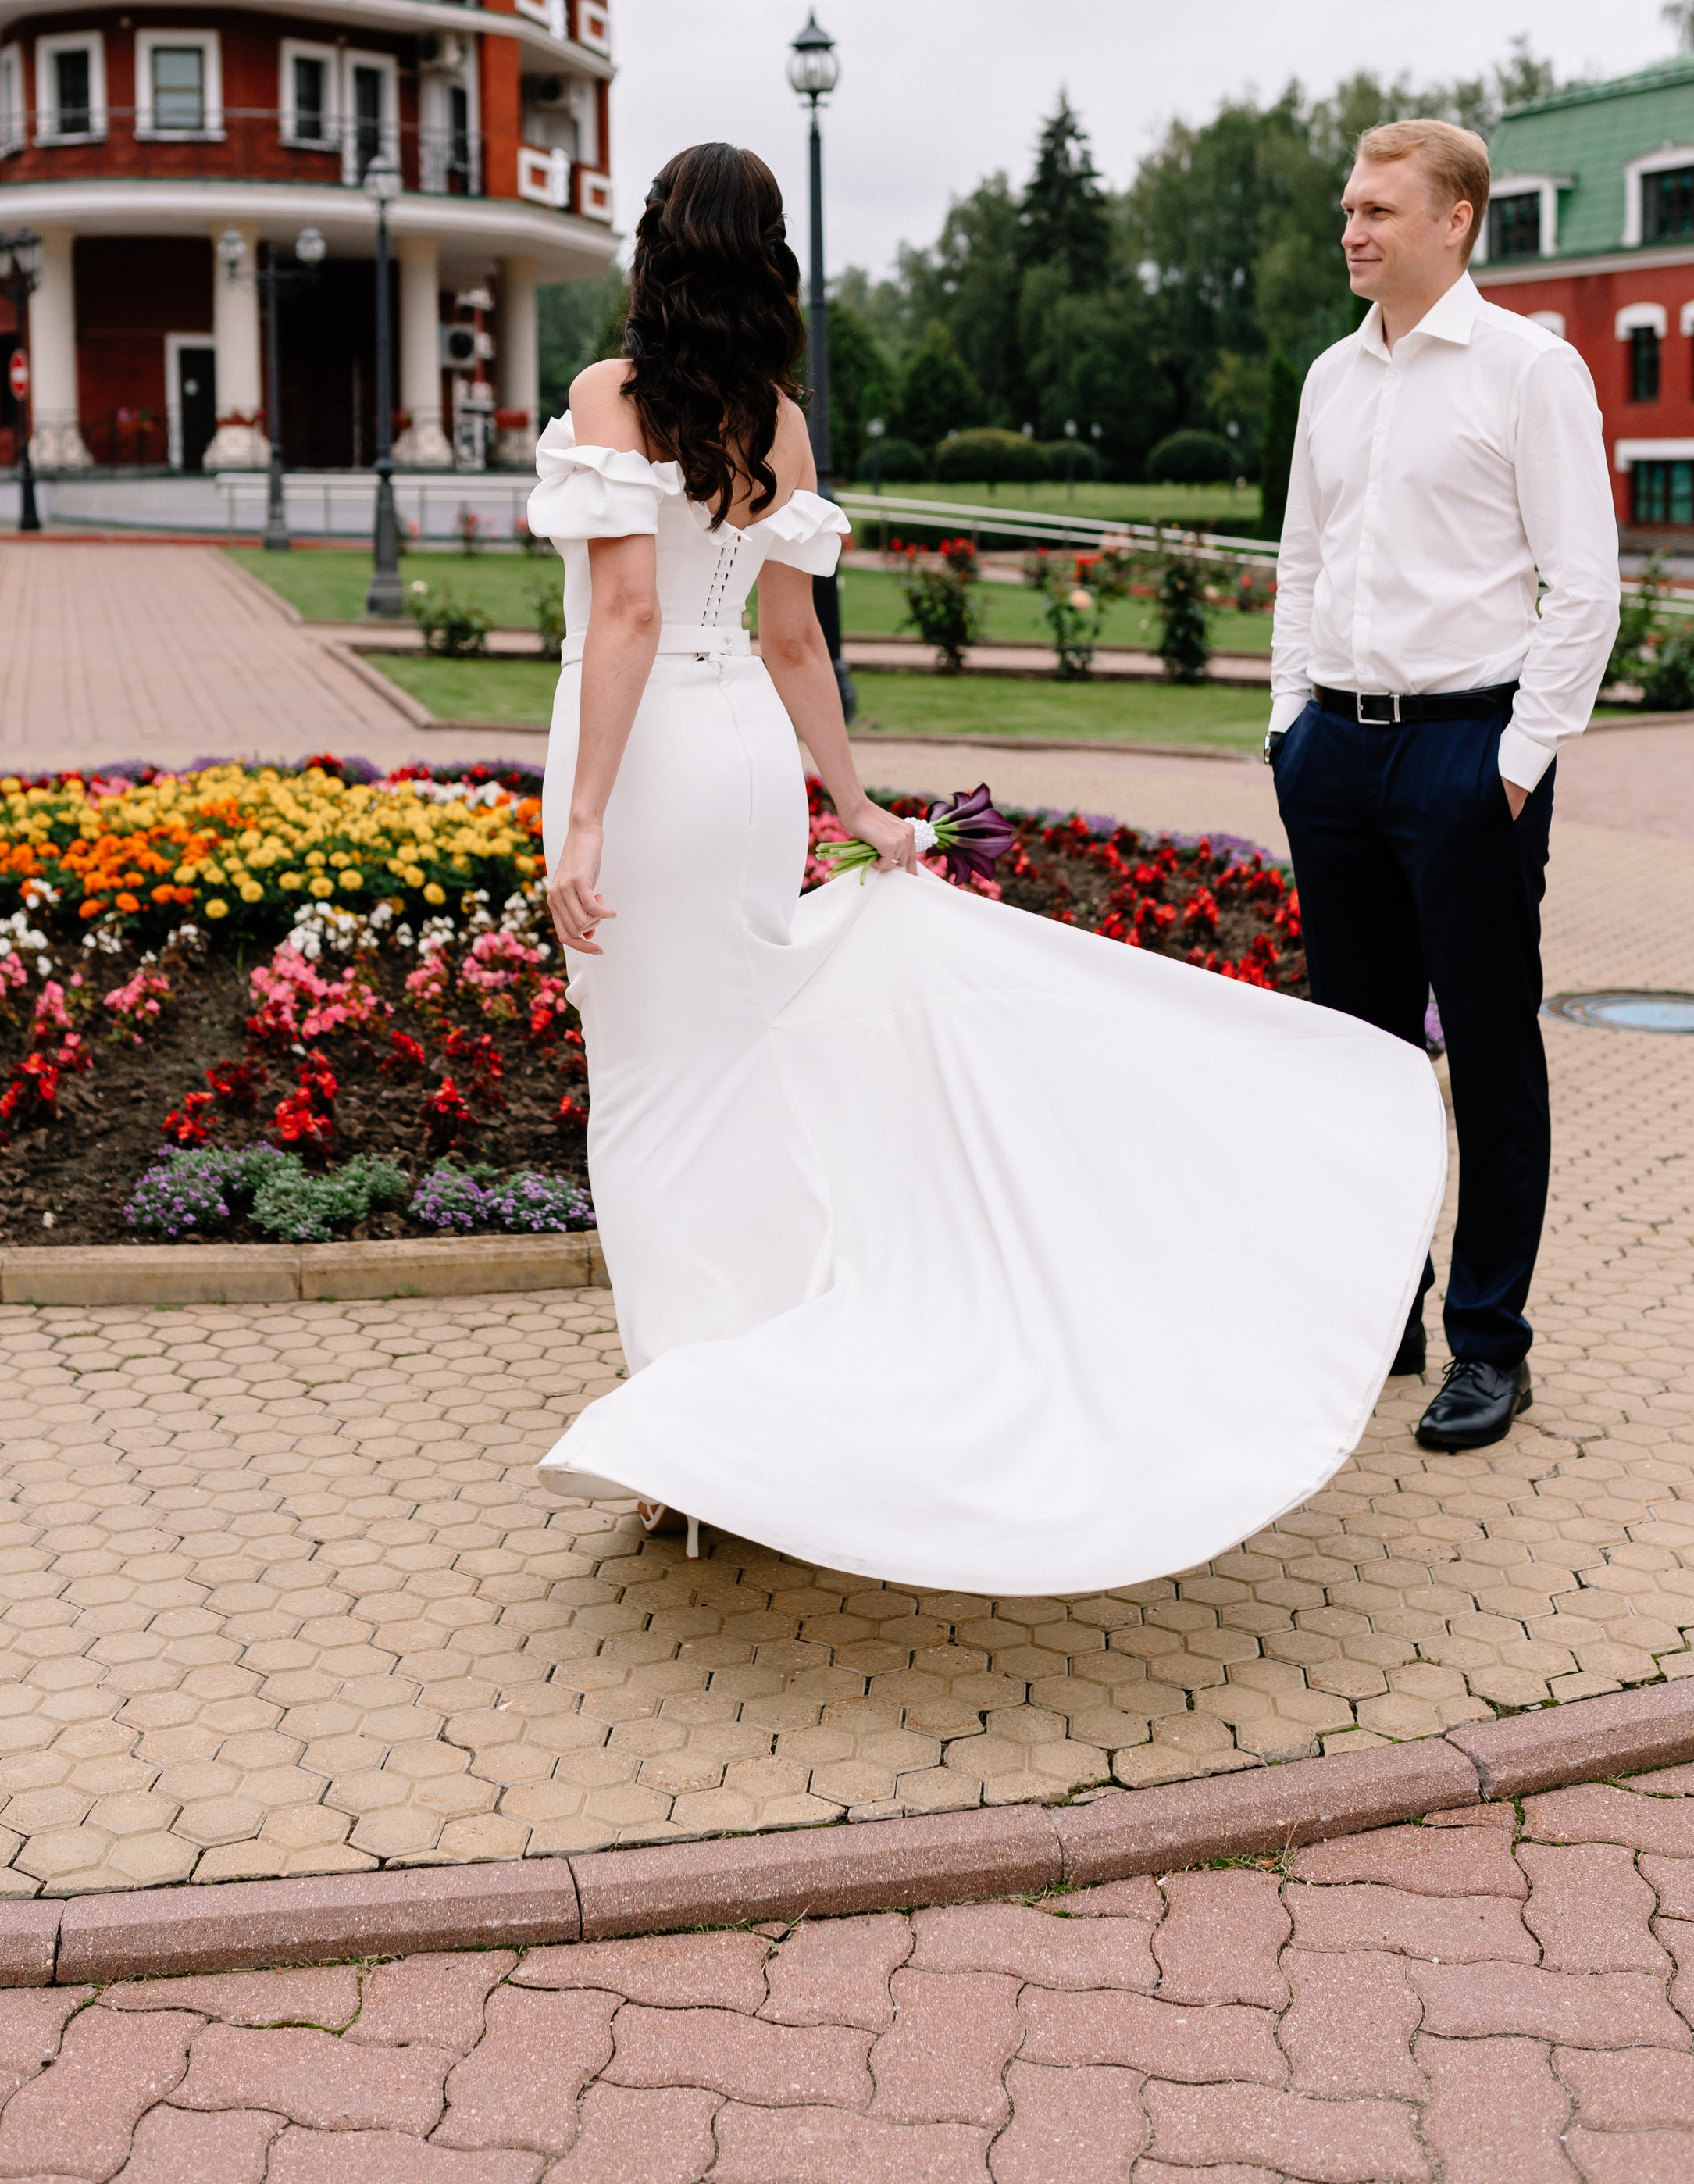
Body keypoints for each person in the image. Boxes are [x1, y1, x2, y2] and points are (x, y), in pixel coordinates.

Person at [530, 139, 1446, 1595]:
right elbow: (790, 643)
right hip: (747, 767)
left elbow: (629, 617)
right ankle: (738, 1402)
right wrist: (853, 803)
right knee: (738, 1086)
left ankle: (692, 1441)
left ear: (656, 245)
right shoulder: (779, 421)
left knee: (645, 1098)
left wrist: (583, 820)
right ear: (766, 260)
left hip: (643, 766)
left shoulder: (608, 396)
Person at [1265, 118, 1621, 1454]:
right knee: (1360, 1057)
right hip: (1337, 754)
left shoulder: (1531, 370)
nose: (1351, 228)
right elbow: (1302, 561)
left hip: (1468, 754)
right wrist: (1288, 728)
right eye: (1349, 208)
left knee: (1488, 1049)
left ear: (1455, 218)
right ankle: (1383, 1314)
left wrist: (1515, 766)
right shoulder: (1329, 377)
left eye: (1378, 209)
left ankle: (1490, 1344)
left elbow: (1584, 586)